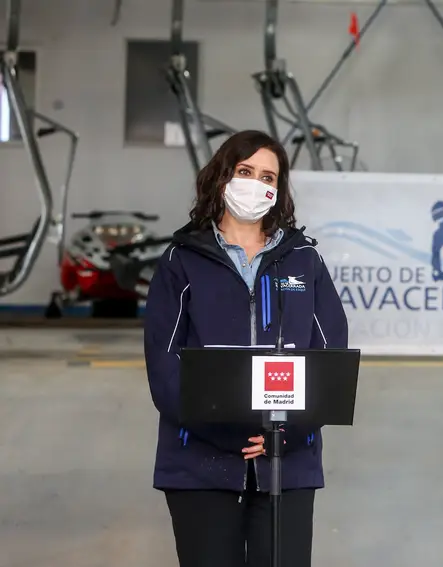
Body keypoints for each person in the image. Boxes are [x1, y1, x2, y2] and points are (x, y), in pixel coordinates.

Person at [143, 130, 348, 567]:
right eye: (245, 171)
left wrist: (286, 434)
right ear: (222, 177)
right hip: (201, 464)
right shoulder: (182, 261)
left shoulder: (303, 261)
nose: (257, 184)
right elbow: (164, 366)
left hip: (287, 464)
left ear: (279, 189)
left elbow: (329, 358)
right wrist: (225, 434)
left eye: (268, 176)